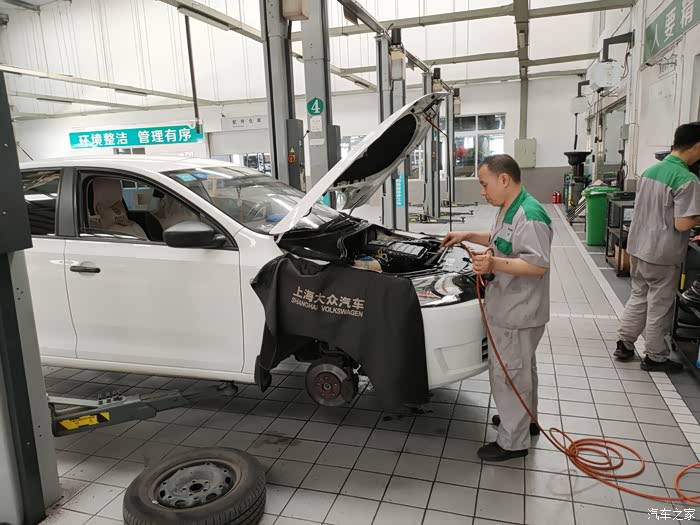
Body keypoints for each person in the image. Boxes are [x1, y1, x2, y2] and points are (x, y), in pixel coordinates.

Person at [442, 154, 553, 462]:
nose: (482, 191)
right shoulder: (511, 207)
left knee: (508, 375)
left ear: (504, 179)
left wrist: (492, 264)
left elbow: (537, 265)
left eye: (484, 183)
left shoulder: (530, 215)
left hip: (518, 310)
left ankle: (512, 442)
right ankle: (526, 420)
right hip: (513, 306)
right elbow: (500, 241)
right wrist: (467, 236)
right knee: (522, 369)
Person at [615, 122, 700, 372]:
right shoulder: (687, 179)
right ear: (697, 146)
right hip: (662, 253)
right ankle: (655, 357)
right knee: (660, 305)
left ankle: (624, 343)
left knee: (639, 295)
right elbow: (683, 223)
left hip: (638, 246)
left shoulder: (650, 171)